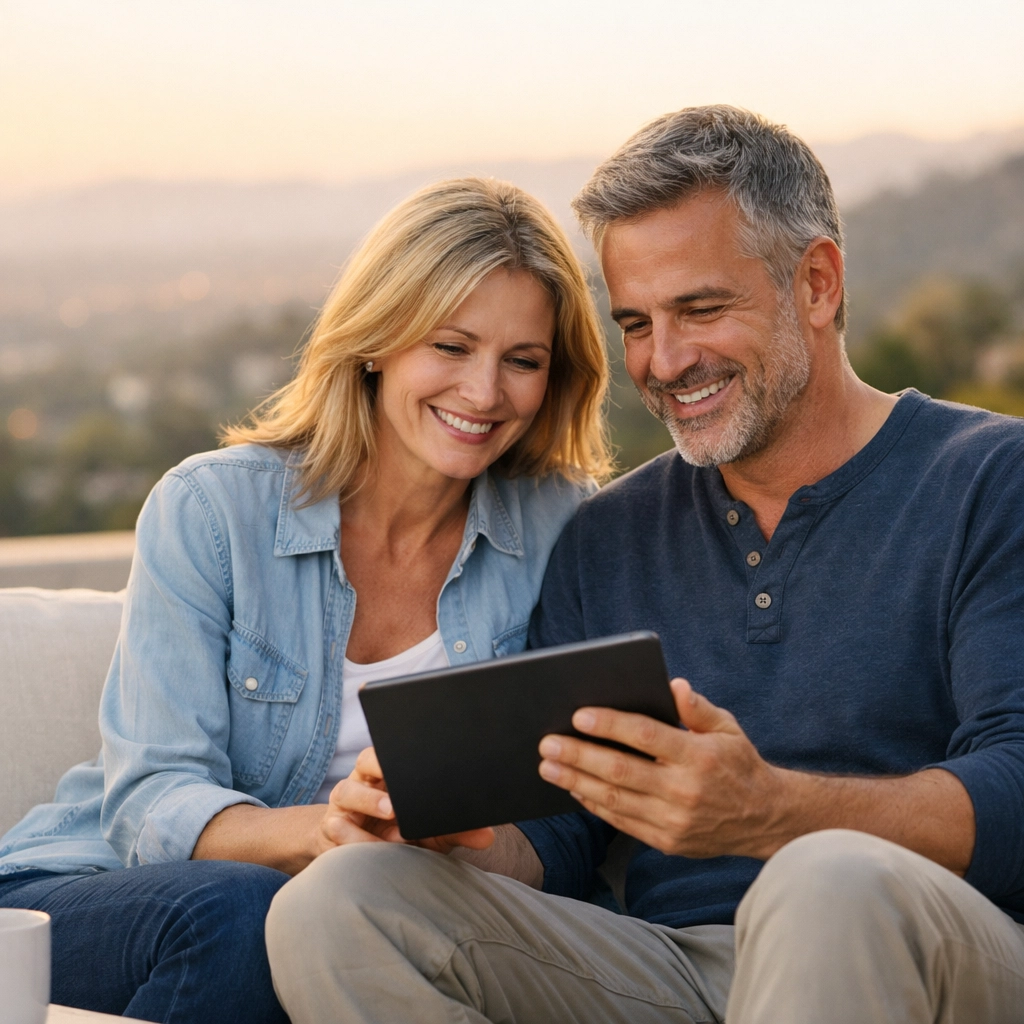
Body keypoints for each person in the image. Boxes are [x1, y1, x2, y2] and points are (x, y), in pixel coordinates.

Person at [265, 107, 1024, 1023]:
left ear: (816, 284)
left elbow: (1016, 788)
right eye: (635, 322)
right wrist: (469, 841)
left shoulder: (990, 480)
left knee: (827, 880)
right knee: (338, 901)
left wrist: (772, 810)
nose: (665, 362)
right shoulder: (608, 534)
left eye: (701, 309)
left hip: (931, 946)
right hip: (675, 971)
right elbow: (564, 835)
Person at [0, 177, 612, 1022]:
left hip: (379, 913)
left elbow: (568, 830)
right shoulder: (213, 511)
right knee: (251, 917)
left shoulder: (563, 530)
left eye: (523, 361)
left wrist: (468, 849)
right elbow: (151, 799)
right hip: (93, 892)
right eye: (451, 346)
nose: (484, 392)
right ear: (377, 341)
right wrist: (331, 831)